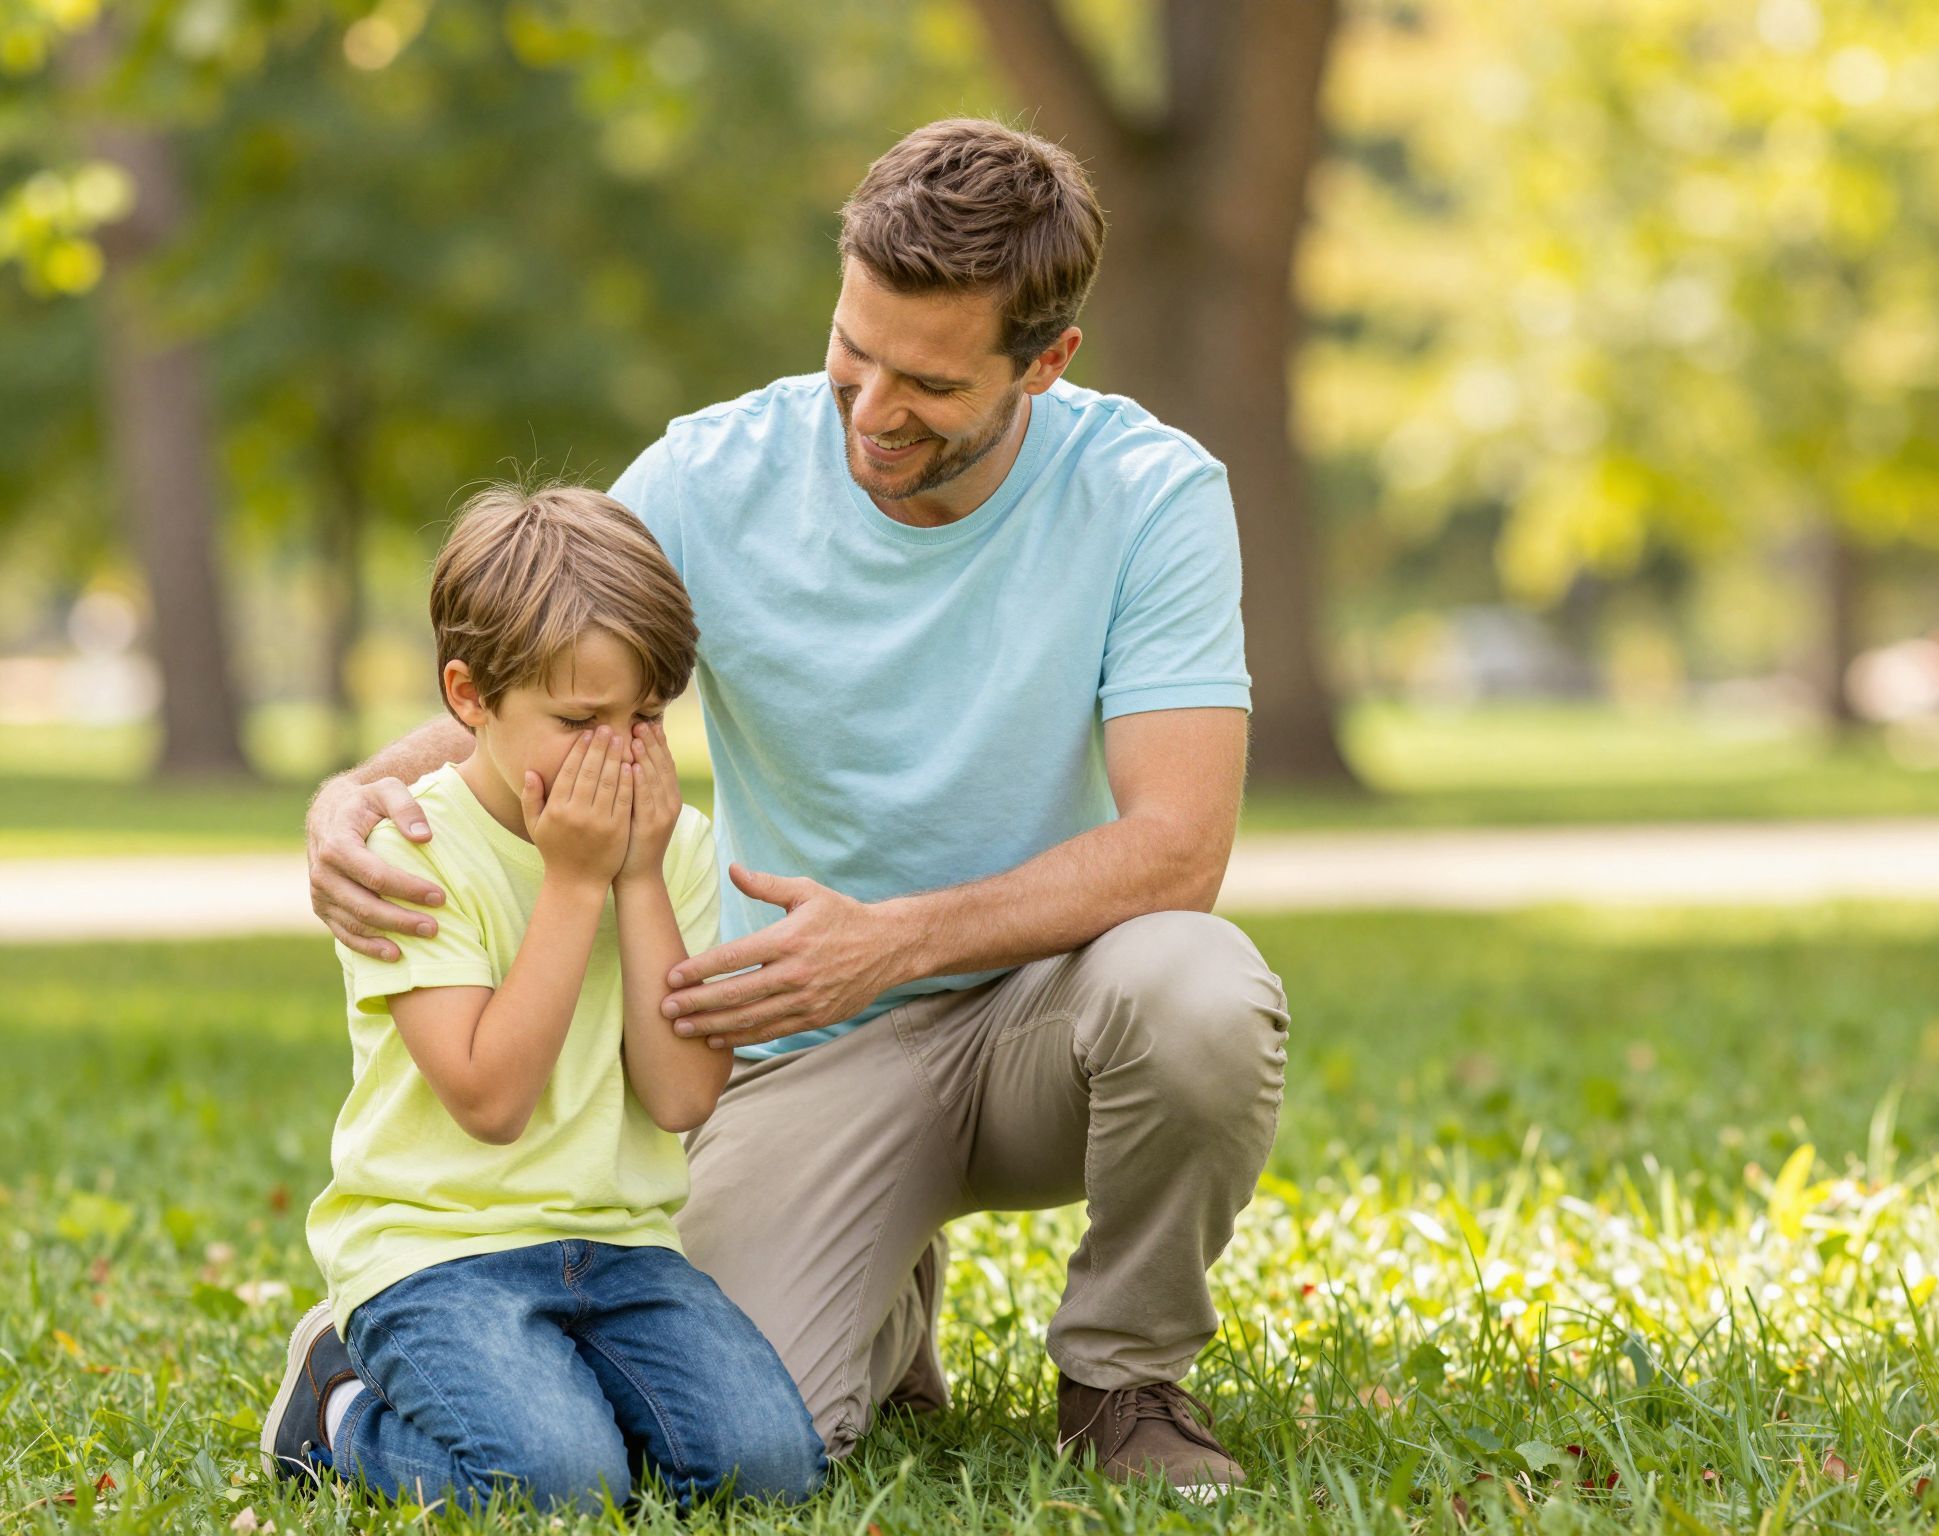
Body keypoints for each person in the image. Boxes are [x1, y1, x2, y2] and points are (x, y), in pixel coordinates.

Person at [302, 119, 1290, 1498]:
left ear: (1045, 363)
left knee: (1202, 988)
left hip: (1047, 1025)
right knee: (746, 1448)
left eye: (929, 381)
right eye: (852, 353)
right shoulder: (718, 475)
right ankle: (879, 1306)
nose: (873, 412)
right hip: (803, 1048)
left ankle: (1123, 1385)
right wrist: (355, 794)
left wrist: (896, 940)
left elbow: (1180, 847)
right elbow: (545, 667)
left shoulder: (1149, 495)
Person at [261, 485, 826, 1513]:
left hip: (622, 1247)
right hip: (438, 1252)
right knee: (554, 1488)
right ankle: (334, 1407)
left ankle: (573, 1404)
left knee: (770, 1473)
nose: (618, 752)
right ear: (470, 697)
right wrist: (573, 884)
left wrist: (639, 881)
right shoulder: (409, 854)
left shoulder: (675, 848)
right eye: (579, 721)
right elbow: (490, 1100)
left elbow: (681, 1098)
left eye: (646, 719)